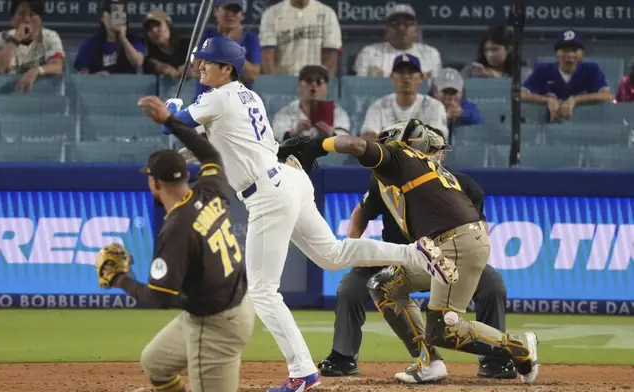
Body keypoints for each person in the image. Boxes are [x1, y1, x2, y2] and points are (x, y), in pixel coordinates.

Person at [159, 36, 457, 392]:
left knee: (262, 291)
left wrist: (172, 112)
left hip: (269, 191)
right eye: (201, 60)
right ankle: (413, 253)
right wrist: (181, 131)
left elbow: (172, 121)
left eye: (208, 62)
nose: (200, 66)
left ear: (227, 69)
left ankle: (302, 372)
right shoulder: (245, 95)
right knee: (332, 254)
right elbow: (215, 143)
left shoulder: (218, 96)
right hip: (288, 179)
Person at [316, 119, 540, 385]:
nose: (386, 147)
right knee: (383, 285)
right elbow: (363, 211)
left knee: (445, 330)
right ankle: (429, 363)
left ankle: (518, 346)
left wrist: (318, 145)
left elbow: (356, 145)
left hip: (451, 246)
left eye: (392, 142)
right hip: (426, 252)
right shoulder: (414, 172)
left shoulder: (406, 162)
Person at [95, 96, 255, 392]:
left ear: (154, 185)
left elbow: (159, 297)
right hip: (230, 306)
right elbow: (210, 155)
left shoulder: (177, 230)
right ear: (186, 175)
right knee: (156, 362)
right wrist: (169, 120)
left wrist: (119, 278)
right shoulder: (210, 188)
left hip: (216, 326)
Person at [521, 29, 612, 122]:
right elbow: (521, 94)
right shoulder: (543, 70)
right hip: (548, 125)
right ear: (556, 52)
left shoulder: (592, 69)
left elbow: (607, 95)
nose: (570, 55)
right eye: (565, 50)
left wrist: (575, 100)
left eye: (574, 50)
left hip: (583, 125)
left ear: (582, 53)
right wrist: (547, 100)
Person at [361, 54, 448, 141]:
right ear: (392, 77)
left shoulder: (434, 106)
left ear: (421, 77)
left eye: (411, 72)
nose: (406, 77)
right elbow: (368, 137)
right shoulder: (379, 106)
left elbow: (436, 141)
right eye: (401, 72)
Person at [0, 0, 64, 92]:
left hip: (41, 96)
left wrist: (35, 71)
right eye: (21, 14)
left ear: (40, 20)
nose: (27, 20)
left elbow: (57, 67)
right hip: (5, 98)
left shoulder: (50, 36)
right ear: (12, 19)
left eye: (32, 15)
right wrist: (16, 39)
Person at [353, 4, 441, 79]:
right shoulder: (369, 53)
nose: (401, 28)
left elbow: (438, 90)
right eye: (395, 23)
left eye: (407, 23)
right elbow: (358, 87)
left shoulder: (431, 54)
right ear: (387, 30)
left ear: (416, 30)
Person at [259, 0, 342, 77]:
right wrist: (277, 86)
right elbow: (267, 57)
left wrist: (320, 85)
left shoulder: (327, 14)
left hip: (314, 85)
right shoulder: (271, 14)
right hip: (283, 82)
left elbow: (331, 59)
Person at [272, 64, 350, 142]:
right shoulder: (286, 112)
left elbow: (345, 140)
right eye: (308, 80)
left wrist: (331, 134)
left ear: (326, 88)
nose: (314, 85)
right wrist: (295, 132)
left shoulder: (337, 112)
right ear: (299, 86)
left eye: (319, 81)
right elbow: (279, 137)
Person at [74, 0, 145, 75]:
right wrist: (95, 77)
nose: (116, 16)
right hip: (97, 85)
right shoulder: (89, 44)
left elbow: (138, 62)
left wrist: (123, 38)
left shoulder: (135, 40)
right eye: (111, 12)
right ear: (102, 17)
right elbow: (82, 74)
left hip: (127, 85)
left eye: (120, 12)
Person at [460, 25, 531, 81]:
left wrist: (497, 78)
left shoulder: (523, 73)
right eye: (486, 50)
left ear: (509, 49)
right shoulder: (470, 70)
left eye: (495, 50)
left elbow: (524, 95)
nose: (489, 54)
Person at [142, 10, 192, 78]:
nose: (154, 30)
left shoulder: (189, 46)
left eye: (157, 24)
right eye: (149, 29)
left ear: (169, 25)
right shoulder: (150, 60)